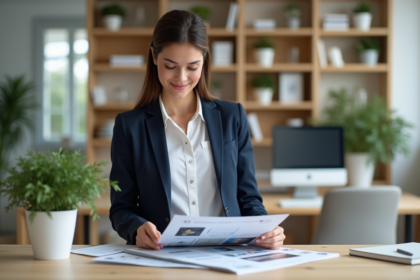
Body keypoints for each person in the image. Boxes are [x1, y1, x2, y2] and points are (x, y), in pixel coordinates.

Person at [109, 10, 285, 251]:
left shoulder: (232, 117)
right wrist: (136, 228)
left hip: (229, 254)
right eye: (170, 66)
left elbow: (249, 198)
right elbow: (121, 208)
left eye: (192, 66)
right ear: (154, 56)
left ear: (205, 59)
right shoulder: (130, 126)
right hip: (164, 256)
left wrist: (266, 230)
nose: (181, 78)